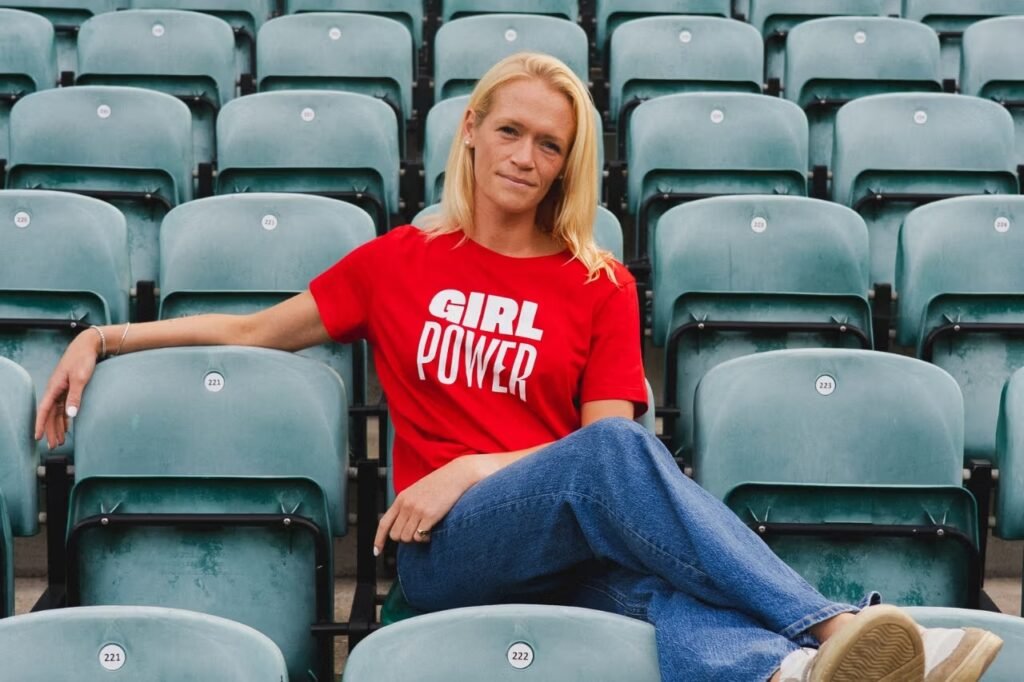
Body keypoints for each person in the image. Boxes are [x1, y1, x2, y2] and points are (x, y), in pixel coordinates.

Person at [35, 52, 1001, 681]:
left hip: (561, 549)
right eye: (510, 131)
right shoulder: (398, 261)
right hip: (448, 549)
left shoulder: (599, 282)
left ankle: (788, 670)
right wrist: (106, 339)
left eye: (551, 144)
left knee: (667, 593)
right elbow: (254, 331)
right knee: (619, 462)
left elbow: (605, 441)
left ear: (567, 164)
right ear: (470, 130)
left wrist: (474, 463)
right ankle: (832, 623)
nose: (527, 156)